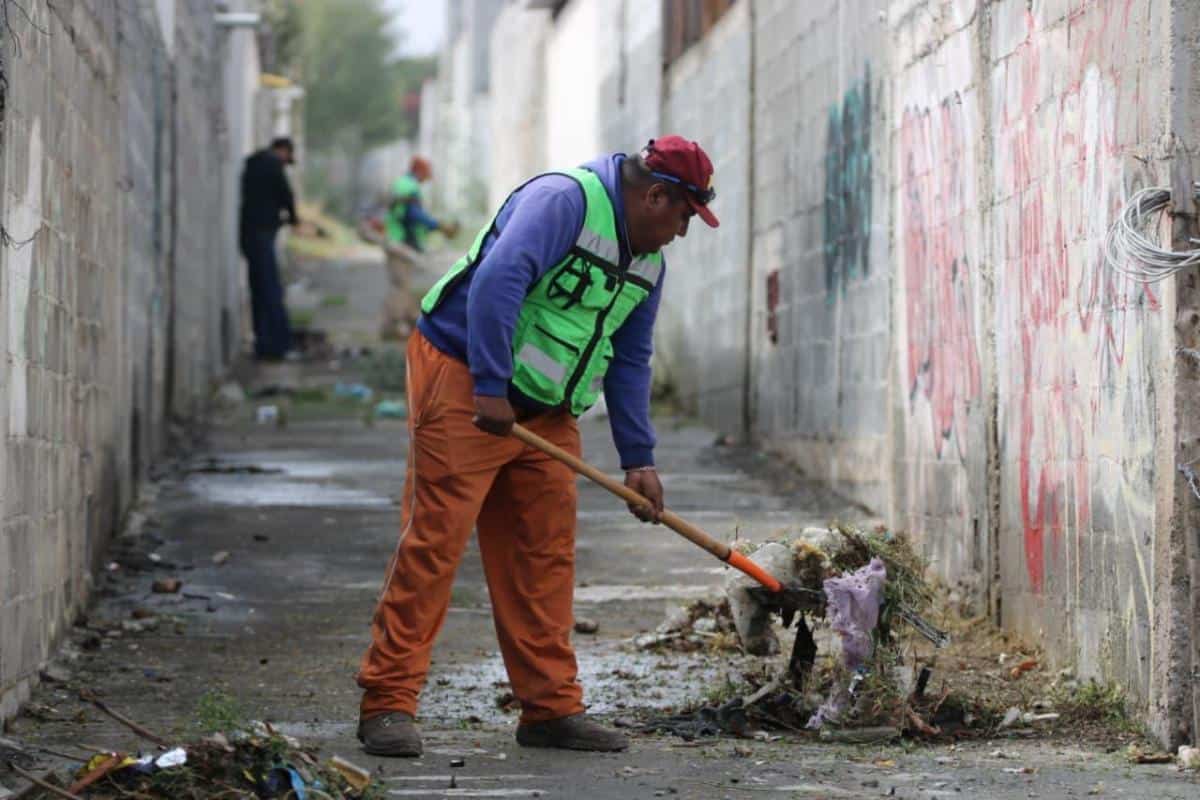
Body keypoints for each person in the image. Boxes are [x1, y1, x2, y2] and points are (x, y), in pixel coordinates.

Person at [356, 136, 719, 756]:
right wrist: (491, 385)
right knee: (435, 541)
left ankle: (550, 709)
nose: (683, 232)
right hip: (466, 376)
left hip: (547, 409)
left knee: (542, 551)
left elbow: (631, 360)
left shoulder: (648, 264)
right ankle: (387, 702)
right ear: (655, 195)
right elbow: (498, 280)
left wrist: (640, 459)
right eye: (684, 216)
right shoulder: (562, 202)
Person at [375, 156, 458, 339]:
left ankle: (406, 320)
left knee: (401, 283)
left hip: (396, 239)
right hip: (399, 242)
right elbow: (413, 215)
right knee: (400, 285)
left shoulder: (402, 184)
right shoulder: (409, 188)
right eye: (427, 173)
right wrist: (438, 226)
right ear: (419, 171)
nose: (428, 177)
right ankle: (393, 326)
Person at [239, 137, 299, 360]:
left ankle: (263, 344)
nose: (285, 164)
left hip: (249, 236)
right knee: (272, 290)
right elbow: (286, 195)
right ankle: (279, 345)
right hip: (263, 235)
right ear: (282, 150)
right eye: (287, 159)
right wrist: (293, 219)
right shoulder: (272, 164)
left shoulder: (251, 164)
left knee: (259, 290)